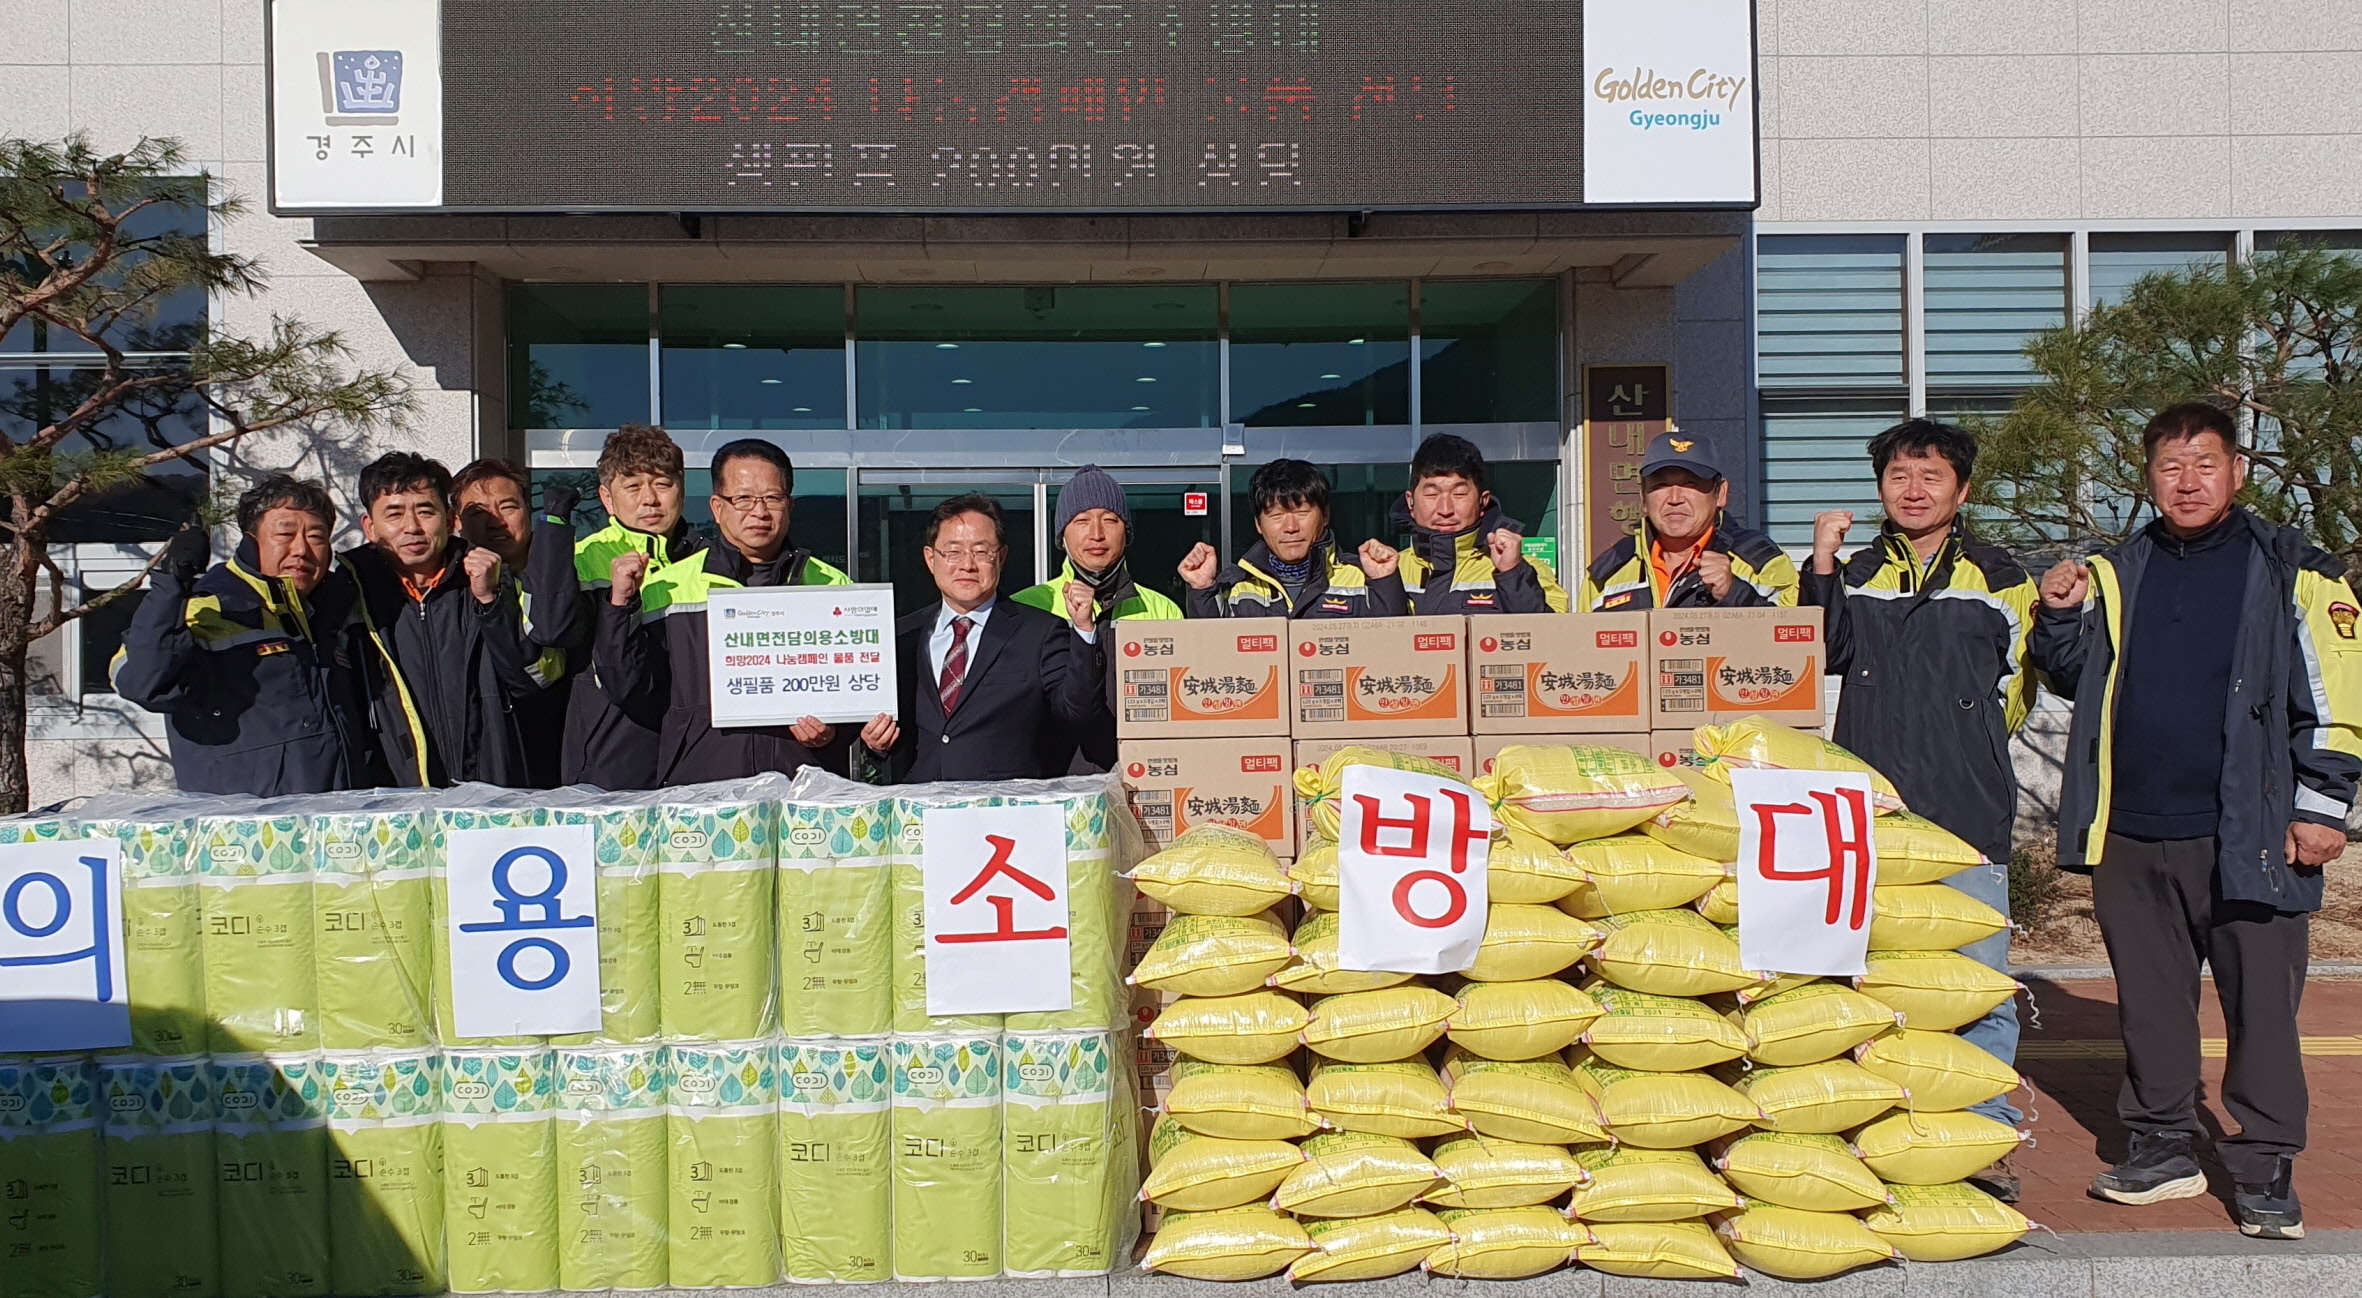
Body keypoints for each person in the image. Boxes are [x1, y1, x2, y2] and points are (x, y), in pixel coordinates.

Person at [2030, 402, 2361, 1239]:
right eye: (2170, 466)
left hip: (2250, 829)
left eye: (2204, 463)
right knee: (2150, 1003)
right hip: (2132, 829)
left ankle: (2265, 1165)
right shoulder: (2118, 566)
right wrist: (2058, 614)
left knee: (2262, 1007)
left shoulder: (2295, 567)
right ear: (2148, 477)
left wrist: (2324, 810)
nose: (2187, 480)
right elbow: (2073, 678)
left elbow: (2336, 697)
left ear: (2237, 471)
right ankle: (2163, 1146)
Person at [1803, 418, 2039, 1202]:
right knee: (1859, 985)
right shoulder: (1858, 571)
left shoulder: (2002, 577)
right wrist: (1824, 562)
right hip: (1865, 818)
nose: (1913, 490)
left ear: (1962, 490)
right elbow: (1817, 653)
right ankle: (1869, 1137)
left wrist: (1965, 740)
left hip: (1965, 810)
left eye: (1931, 476)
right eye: (1900, 476)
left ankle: (1985, 1136)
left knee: (1976, 987)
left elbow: (2023, 685)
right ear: (1881, 488)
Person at [599, 439, 850, 785]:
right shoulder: (666, 586)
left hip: (803, 788)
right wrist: (619, 607)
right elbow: (629, 689)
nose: (759, 512)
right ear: (717, 507)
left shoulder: (832, 585)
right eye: (743, 499)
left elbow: (857, 701)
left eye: (772, 499)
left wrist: (834, 730)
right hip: (701, 785)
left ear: (789, 506)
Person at [113, 475, 378, 795]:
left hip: (338, 822)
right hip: (245, 832)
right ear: (251, 541)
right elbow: (141, 682)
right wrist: (171, 585)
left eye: (316, 536)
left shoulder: (337, 612)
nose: (301, 549)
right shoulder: (210, 606)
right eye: (285, 533)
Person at [857, 494, 1106, 783]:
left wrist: (1084, 630)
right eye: (953, 552)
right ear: (930, 558)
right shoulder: (901, 636)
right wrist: (875, 743)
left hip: (1005, 813)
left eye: (981, 551)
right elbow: (895, 735)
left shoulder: (1040, 633)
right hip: (920, 810)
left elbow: (1080, 712)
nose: (967, 565)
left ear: (1001, 557)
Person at [517, 424, 703, 791]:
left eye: (662, 484)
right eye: (632, 487)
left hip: (692, 750)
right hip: (612, 755)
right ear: (606, 498)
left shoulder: (709, 559)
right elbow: (548, 629)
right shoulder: (583, 558)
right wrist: (554, 529)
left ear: (681, 489)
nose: (649, 499)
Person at [342, 452, 542, 787]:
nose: (412, 528)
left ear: (450, 520)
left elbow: (528, 682)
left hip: (490, 788)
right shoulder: (349, 595)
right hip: (395, 795)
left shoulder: (489, 579)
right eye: (394, 513)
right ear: (369, 527)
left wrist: (490, 602)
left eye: (425, 511)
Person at [1012, 465, 1182, 772]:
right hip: (1049, 781)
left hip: (1141, 773)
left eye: (1110, 520)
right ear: (1062, 535)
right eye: (1081, 521)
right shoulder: (1027, 606)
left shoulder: (1162, 609)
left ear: (1127, 532)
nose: (1097, 534)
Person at [453, 457, 571, 788]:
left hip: (554, 761)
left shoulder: (560, 573)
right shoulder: (447, 591)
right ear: (457, 523)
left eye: (508, 507)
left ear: (527, 513)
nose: (496, 522)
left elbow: (544, 675)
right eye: (478, 513)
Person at [1579, 432, 1798, 609]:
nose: (1675, 499)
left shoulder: (1761, 564)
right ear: (1643, 498)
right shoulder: (1607, 573)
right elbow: (1583, 650)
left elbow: (1797, 643)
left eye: (1691, 484)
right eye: (1660, 486)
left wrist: (1735, 593)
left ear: (1720, 493)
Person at [1178, 459, 1406, 618]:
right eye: (1276, 515)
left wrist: (1385, 583)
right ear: (1258, 524)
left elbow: (1391, 646)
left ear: (1325, 516)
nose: (1290, 527)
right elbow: (1209, 649)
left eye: (1302, 513)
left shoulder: (1360, 578)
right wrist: (1202, 589)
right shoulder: (1235, 586)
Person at [1393, 433, 1570, 615]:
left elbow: (1553, 636)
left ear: (1483, 501)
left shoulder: (1528, 570)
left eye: (1459, 494)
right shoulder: (1382, 571)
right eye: (1431, 495)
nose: (1445, 509)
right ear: (1410, 501)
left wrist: (1512, 575)